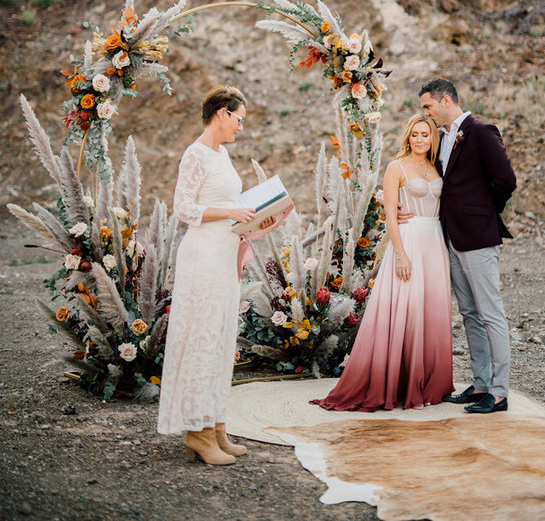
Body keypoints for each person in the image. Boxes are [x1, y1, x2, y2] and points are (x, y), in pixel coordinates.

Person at [157, 84, 291, 464]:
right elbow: (183, 207)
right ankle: (197, 433)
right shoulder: (195, 154)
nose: (241, 127)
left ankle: (215, 424)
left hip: (225, 253)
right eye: (240, 119)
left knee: (220, 338)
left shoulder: (224, 153)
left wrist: (258, 214)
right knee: (202, 336)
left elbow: (230, 202)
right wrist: (231, 213)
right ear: (222, 114)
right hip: (202, 255)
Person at [311, 113, 453, 412]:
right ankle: (397, 384)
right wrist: (400, 253)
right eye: (414, 134)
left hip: (435, 241)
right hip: (409, 241)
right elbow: (390, 216)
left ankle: (429, 384)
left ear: (432, 138)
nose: (419, 139)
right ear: (407, 137)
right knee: (408, 309)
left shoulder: (437, 167)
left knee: (431, 311)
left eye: (424, 135)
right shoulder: (396, 167)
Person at [418, 78, 516, 414]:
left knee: (491, 313)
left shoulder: (482, 131)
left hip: (477, 236)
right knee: (469, 313)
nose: (426, 114)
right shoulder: (443, 137)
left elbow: (506, 180)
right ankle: (481, 383)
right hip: (451, 236)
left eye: (428, 106)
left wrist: (484, 212)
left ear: (446, 100)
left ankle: (500, 393)